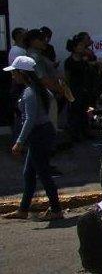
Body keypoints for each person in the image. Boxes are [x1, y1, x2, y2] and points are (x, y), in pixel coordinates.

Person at [3, 57, 62, 221]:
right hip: (42, 132)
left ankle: (56, 209)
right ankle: (23, 209)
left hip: (38, 135)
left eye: (15, 72)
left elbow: (29, 119)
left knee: (43, 174)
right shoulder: (38, 88)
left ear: (22, 73)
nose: (13, 76)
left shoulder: (30, 92)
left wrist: (19, 142)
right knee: (29, 173)